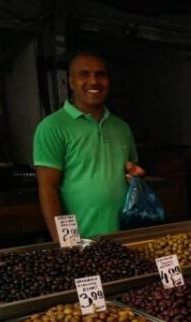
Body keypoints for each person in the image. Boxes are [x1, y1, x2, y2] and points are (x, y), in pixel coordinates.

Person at [33, 50, 144, 240]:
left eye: (100, 75)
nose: (93, 81)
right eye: (84, 74)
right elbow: (48, 189)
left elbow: (131, 174)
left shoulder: (121, 127)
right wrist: (68, 244)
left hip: (125, 236)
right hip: (84, 242)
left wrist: (135, 174)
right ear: (71, 82)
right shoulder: (52, 127)